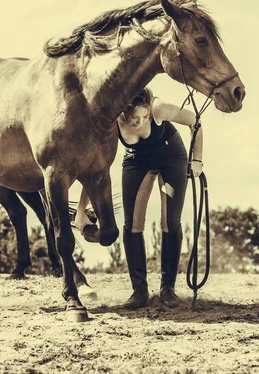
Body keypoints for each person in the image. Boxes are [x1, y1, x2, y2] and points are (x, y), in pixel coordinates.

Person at [75, 87, 203, 309]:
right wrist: (81, 209)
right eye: (135, 117)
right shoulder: (112, 119)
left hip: (171, 160)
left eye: (145, 117)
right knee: (132, 225)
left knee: (169, 220)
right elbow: (96, 167)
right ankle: (139, 292)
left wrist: (197, 159)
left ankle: (168, 289)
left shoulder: (159, 108)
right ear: (123, 110)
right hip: (137, 162)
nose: (140, 122)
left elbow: (195, 121)